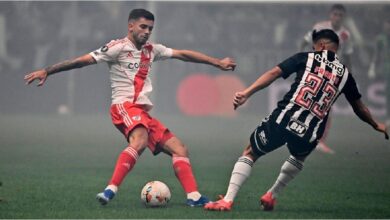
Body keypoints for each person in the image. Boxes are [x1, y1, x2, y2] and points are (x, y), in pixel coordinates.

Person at [24, 8, 236, 207]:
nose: (147, 32)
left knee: (180, 149)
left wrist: (217, 62)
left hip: (141, 112)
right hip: (123, 106)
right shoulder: (117, 47)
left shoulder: (152, 50)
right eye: (143, 27)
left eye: (150, 28)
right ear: (131, 26)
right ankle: (110, 190)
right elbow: (81, 61)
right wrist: (47, 70)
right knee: (140, 140)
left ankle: (194, 197)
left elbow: (183, 54)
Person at [204, 29, 388, 212]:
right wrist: (376, 124)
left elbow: (273, 73)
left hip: (285, 117)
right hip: (311, 130)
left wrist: (247, 92)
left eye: (314, 46)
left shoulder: (305, 58)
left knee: (250, 152)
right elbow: (359, 107)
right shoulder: (346, 75)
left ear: (321, 45)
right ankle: (271, 195)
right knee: (299, 156)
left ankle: (227, 200)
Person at [300, 4, 354, 154]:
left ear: (344, 17)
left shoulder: (345, 35)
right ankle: (300, 134)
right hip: (315, 70)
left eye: (340, 15)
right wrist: (302, 60)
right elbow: (305, 42)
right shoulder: (320, 27)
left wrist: (348, 77)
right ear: (330, 15)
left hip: (332, 74)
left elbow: (348, 56)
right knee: (306, 102)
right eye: (335, 14)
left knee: (326, 108)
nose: (337, 17)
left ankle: (320, 141)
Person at [368, 18, 390, 127]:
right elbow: (376, 55)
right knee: (388, 93)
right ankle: (388, 117)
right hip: (387, 67)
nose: (387, 27)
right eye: (386, 24)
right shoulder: (380, 39)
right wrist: (372, 67)